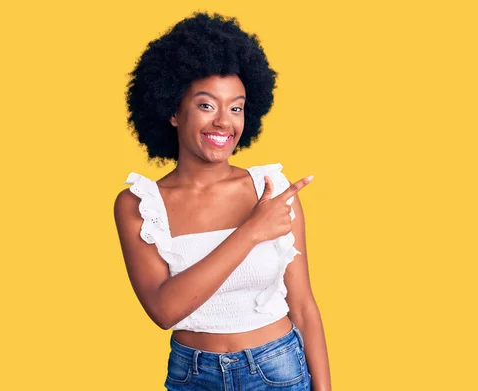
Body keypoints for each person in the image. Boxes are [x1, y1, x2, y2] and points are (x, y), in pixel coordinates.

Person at [113, 12, 331, 391]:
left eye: (236, 107)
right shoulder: (140, 205)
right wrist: (251, 231)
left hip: (277, 369)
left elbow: (304, 307)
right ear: (172, 112)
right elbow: (164, 310)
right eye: (206, 105)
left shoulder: (272, 189)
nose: (224, 123)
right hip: (192, 375)